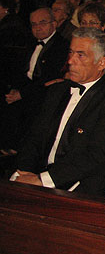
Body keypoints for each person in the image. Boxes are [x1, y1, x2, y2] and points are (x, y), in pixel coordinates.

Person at [9, 27, 105, 254]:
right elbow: (35, 137)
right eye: (70, 53)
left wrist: (43, 180)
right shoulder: (59, 90)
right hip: (42, 173)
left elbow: (96, 157)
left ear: (102, 63)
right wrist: (22, 172)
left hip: (81, 181)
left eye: (80, 55)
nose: (71, 61)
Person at [1, 8, 68, 153]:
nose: (38, 27)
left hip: (46, 91)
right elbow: (21, 71)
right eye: (33, 24)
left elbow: (49, 78)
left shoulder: (61, 46)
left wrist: (22, 93)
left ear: (54, 24)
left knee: (26, 105)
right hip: (28, 86)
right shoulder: (30, 43)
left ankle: (19, 150)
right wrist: (15, 89)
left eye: (42, 23)